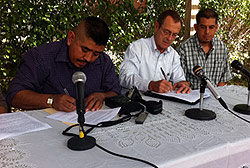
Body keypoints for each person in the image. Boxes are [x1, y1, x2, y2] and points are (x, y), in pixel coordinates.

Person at [6, 16, 121, 112]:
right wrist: (51, 100)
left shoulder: (103, 61)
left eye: (96, 53)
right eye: (84, 50)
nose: (88, 58)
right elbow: (15, 95)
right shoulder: (41, 57)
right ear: (71, 38)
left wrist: (102, 96)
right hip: (48, 129)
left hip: (94, 125)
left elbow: (115, 92)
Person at [119, 10, 190, 94]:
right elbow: (125, 77)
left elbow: (179, 80)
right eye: (166, 32)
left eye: (174, 35)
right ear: (157, 26)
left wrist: (182, 84)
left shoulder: (173, 55)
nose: (169, 38)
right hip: (136, 102)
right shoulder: (137, 47)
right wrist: (149, 85)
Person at [176, 9, 232, 90]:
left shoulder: (222, 48)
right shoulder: (183, 49)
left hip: (216, 97)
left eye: (211, 27)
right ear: (196, 27)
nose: (207, 32)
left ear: (216, 28)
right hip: (191, 98)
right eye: (203, 27)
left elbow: (223, 81)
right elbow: (180, 81)